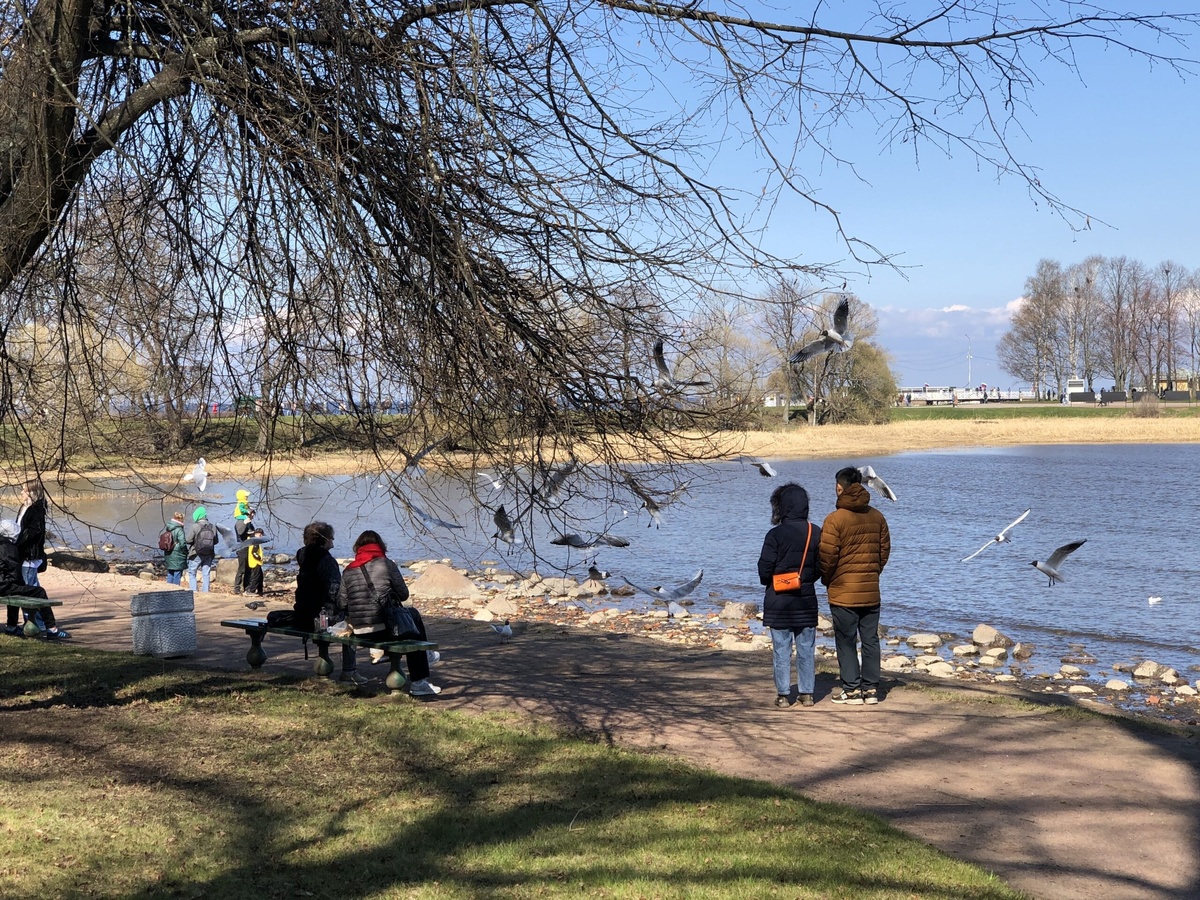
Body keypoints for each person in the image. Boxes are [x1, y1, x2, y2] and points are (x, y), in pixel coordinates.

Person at [335, 530, 440, 695]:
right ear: (379, 546)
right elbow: (404, 594)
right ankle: (419, 681)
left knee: (406, 622)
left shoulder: (348, 570)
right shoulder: (386, 564)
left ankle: (424, 657)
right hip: (385, 629)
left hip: (360, 631)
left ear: (358, 548)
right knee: (412, 618)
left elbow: (341, 603)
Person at [819, 466, 890, 706]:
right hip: (870, 589)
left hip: (843, 591)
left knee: (846, 639)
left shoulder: (834, 519)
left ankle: (851, 690)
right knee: (870, 639)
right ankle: (870, 689)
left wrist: (828, 579)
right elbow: (884, 552)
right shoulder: (877, 516)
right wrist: (873, 572)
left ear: (840, 487)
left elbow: (827, 556)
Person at [757, 483, 822, 709]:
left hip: (778, 600)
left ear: (781, 506)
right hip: (805, 599)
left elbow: (764, 570)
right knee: (806, 649)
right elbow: (822, 566)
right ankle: (807, 694)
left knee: (781, 650)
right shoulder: (816, 531)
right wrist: (805, 579)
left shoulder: (774, 534)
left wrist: (775, 579)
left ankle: (784, 695)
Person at [293, 521, 355, 681]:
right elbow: (335, 590)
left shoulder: (302, 555)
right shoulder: (326, 560)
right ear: (323, 539)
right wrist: (347, 607)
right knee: (353, 620)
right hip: (322, 616)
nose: (333, 544)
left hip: (302, 612)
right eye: (331, 539)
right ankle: (349, 671)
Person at [1, 519, 69, 639]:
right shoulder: (9, 549)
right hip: (3, 586)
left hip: (4, 585)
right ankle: (52, 629)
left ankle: (11, 627)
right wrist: (21, 585)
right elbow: (14, 574)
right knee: (39, 591)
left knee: (15, 592)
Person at [16, 478, 49, 633]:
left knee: (30, 590)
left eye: (24, 490)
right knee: (27, 589)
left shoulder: (36, 510)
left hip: (29, 557)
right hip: (22, 556)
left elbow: (33, 532)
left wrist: (18, 540)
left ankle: (38, 623)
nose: (21, 492)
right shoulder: (25, 507)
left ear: (32, 492)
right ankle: (30, 622)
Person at [185, 506, 219, 592]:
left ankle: (194, 591)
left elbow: (189, 540)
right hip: (209, 553)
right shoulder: (212, 527)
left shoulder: (195, 526)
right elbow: (216, 541)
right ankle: (205, 592)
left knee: (192, 572)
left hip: (196, 553)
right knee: (206, 574)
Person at [233, 489, 254, 594]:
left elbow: (252, 532)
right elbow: (241, 533)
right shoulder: (240, 521)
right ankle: (237, 588)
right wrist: (246, 522)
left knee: (248, 569)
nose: (252, 516)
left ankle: (247, 588)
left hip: (248, 548)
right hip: (242, 548)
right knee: (242, 569)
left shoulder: (248, 521)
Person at [163, 511, 188, 585]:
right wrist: (185, 552)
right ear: (181, 520)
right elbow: (182, 543)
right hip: (178, 554)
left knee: (170, 572)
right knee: (177, 573)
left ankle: (168, 589)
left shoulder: (168, 527)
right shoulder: (179, 530)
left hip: (168, 552)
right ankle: (176, 590)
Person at [246, 528, 265, 596]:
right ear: (259, 534)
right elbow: (254, 552)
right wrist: (259, 558)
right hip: (255, 562)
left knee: (260, 577)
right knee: (256, 577)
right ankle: (251, 591)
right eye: (261, 535)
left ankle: (260, 590)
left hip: (254, 561)